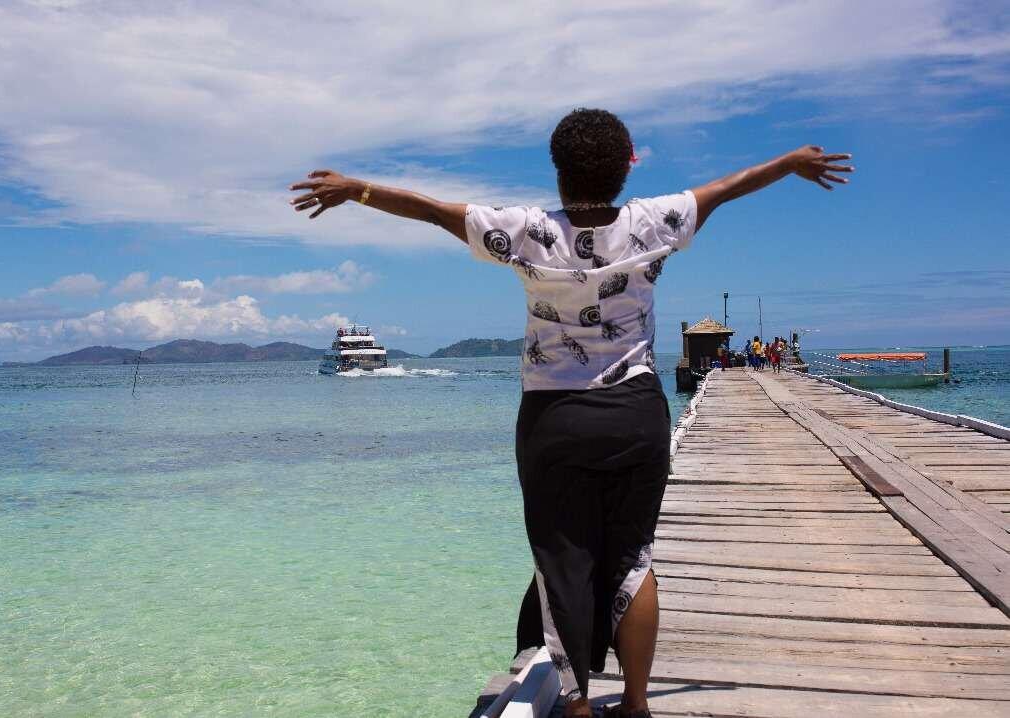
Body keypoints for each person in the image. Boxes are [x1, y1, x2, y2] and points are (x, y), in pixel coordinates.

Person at [290, 108, 852, 718]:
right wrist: (789, 163)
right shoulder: (653, 220)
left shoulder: (528, 231)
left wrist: (357, 189)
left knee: (562, 559)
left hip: (554, 417)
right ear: (626, 167)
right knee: (634, 557)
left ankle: (578, 707)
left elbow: (431, 210)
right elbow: (728, 186)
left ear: (558, 170)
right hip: (635, 412)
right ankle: (636, 704)